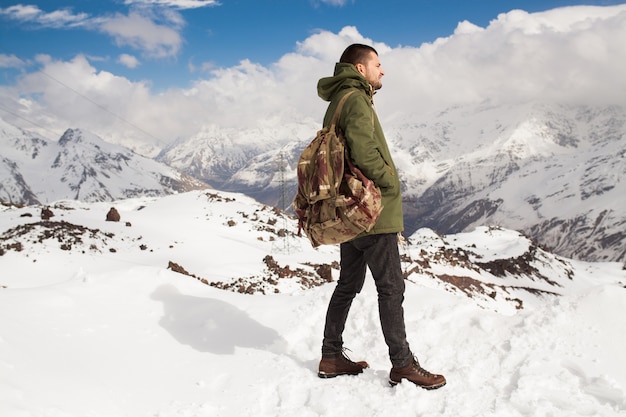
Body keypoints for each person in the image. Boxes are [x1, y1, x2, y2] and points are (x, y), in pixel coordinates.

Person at [315, 43, 446, 390]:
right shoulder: (356, 99)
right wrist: (390, 180)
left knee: (348, 285)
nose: (382, 70)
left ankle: (330, 355)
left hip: (349, 210)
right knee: (391, 288)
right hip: (371, 210)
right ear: (360, 69)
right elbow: (362, 150)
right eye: (377, 64)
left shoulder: (339, 100)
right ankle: (402, 364)